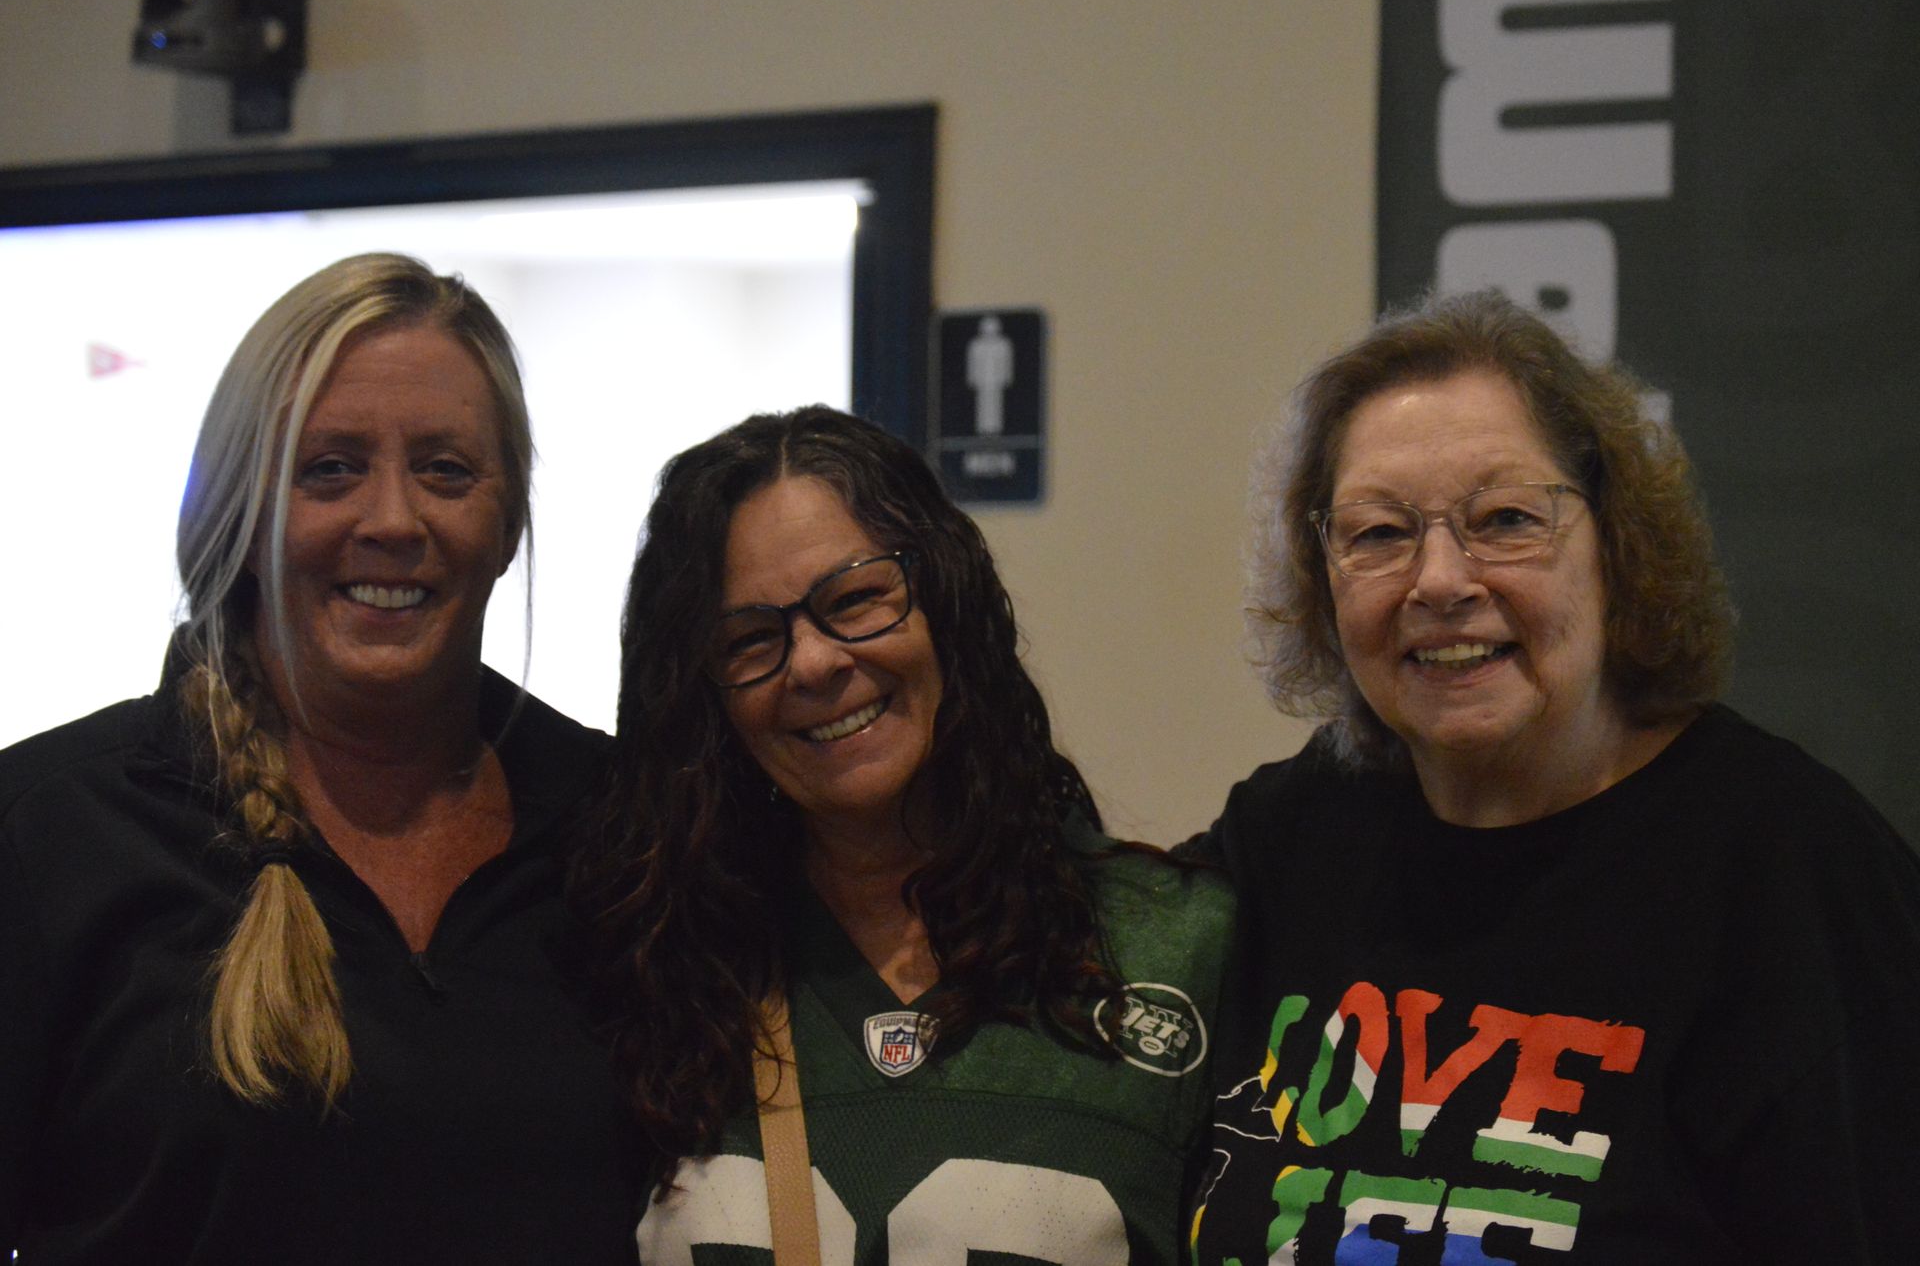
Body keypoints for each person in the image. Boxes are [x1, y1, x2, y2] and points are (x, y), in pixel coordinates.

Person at [1184, 289, 1920, 1264]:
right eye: (1378, 533)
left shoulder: (1793, 875)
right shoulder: (1290, 835)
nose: (1440, 579)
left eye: (1505, 517)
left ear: (1617, 545)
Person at [0, 253, 639, 1264]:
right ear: (242, 518)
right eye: (330, 467)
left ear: (507, 519)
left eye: (445, 469)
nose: (392, 520)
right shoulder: (49, 831)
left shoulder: (624, 832)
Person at [573, 405, 1229, 1263]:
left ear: (946, 603)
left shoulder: (1180, 944)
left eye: (855, 598)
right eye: (749, 640)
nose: (812, 662)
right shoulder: (660, 972)